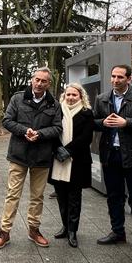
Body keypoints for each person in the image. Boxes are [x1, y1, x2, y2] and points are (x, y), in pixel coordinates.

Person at [0, 67, 62, 250]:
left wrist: (39, 134)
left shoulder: (54, 104)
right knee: (12, 195)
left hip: (42, 157)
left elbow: (57, 128)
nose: (39, 84)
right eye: (37, 79)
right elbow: (7, 121)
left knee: (37, 197)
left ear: (49, 83)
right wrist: (25, 131)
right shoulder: (17, 98)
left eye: (43, 81)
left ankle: (34, 230)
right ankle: (4, 232)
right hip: (19, 155)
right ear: (32, 80)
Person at [94, 64, 132, 255]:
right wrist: (102, 123)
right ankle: (117, 231)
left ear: (129, 79)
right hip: (110, 155)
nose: (115, 80)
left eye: (120, 77)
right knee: (114, 196)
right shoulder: (102, 98)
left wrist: (126, 122)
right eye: (113, 76)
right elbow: (93, 121)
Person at [48, 83, 94, 248]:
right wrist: (57, 149)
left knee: (74, 198)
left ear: (81, 96)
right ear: (64, 95)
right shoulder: (57, 110)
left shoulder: (87, 113)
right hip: (58, 160)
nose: (71, 97)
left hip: (77, 161)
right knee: (61, 197)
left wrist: (67, 151)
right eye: (68, 95)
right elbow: (52, 131)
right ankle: (65, 227)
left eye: (74, 95)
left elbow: (86, 137)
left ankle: (73, 230)